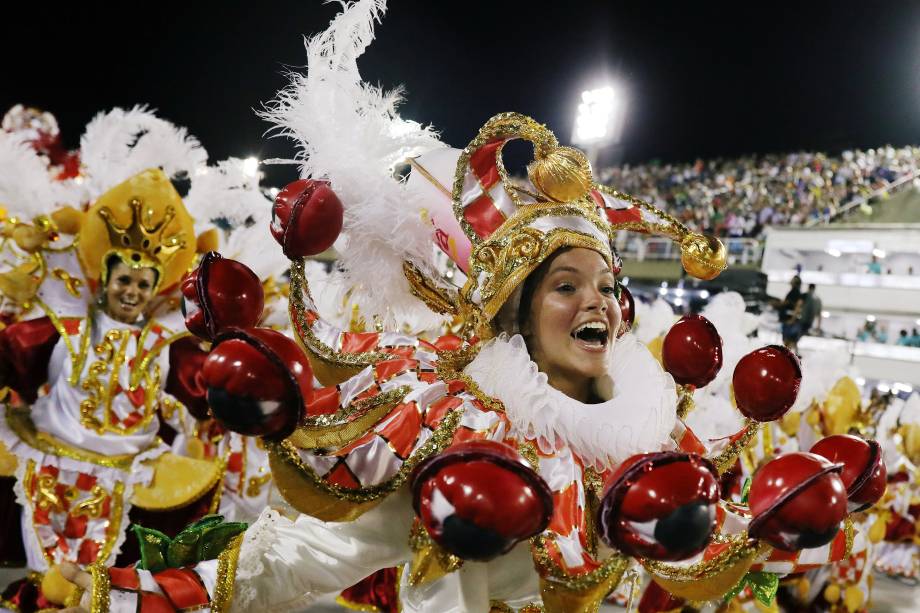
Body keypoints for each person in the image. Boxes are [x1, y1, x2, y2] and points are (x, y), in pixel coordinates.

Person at [58, 3, 868, 611]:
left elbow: (690, 558)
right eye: (564, 285)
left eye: (606, 286)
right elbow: (301, 558)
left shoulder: (660, 431)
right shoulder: (449, 418)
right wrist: (134, 596)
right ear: (514, 313)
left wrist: (770, 520)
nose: (599, 303)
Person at [0, 110, 235, 608]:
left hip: (121, 476)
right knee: (47, 579)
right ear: (105, 279)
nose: (130, 290)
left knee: (94, 585)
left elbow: (206, 390)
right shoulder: (68, 321)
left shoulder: (165, 340)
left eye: (142, 283)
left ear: (155, 290)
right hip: (50, 463)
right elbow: (12, 349)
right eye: (123, 279)